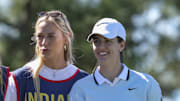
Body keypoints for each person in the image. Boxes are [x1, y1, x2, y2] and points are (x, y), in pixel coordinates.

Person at [69, 18, 162, 101]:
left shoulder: (146, 84)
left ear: (121, 45)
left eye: (107, 41)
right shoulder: (81, 88)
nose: (101, 47)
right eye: (96, 41)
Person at [5, 10, 88, 101]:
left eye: (51, 36)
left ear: (66, 38)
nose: (44, 42)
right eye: (40, 36)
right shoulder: (19, 79)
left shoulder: (84, 81)